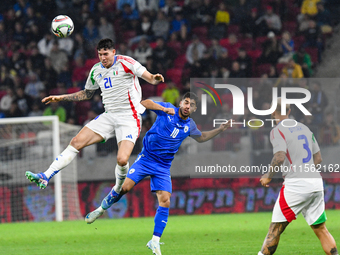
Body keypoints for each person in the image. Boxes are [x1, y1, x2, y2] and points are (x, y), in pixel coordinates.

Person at [85, 92, 231, 255]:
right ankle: (101, 209)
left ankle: (154, 241)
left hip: (162, 167)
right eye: (186, 102)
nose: (187, 106)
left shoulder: (190, 126)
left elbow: (202, 137)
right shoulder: (168, 109)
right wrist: (162, 108)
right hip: (146, 159)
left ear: (194, 109)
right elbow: (145, 103)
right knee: (124, 188)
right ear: (181, 102)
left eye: (191, 105)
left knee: (165, 200)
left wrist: (220, 129)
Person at [25, 38, 166, 191]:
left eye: (105, 54)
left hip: (129, 117)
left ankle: (118, 189)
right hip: (109, 116)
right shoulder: (96, 70)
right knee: (76, 142)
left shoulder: (127, 62)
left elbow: (149, 77)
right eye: (100, 55)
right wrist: (61, 97)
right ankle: (45, 176)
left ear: (113, 52)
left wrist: (155, 78)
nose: (103, 58)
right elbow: (87, 94)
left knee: (122, 159)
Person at [258, 98, 338, 255]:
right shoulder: (304, 128)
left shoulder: (277, 130)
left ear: (273, 112)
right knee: (320, 229)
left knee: (274, 229)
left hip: (296, 185)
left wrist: (268, 175)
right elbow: (318, 158)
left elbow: (280, 157)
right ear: (288, 112)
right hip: (315, 182)